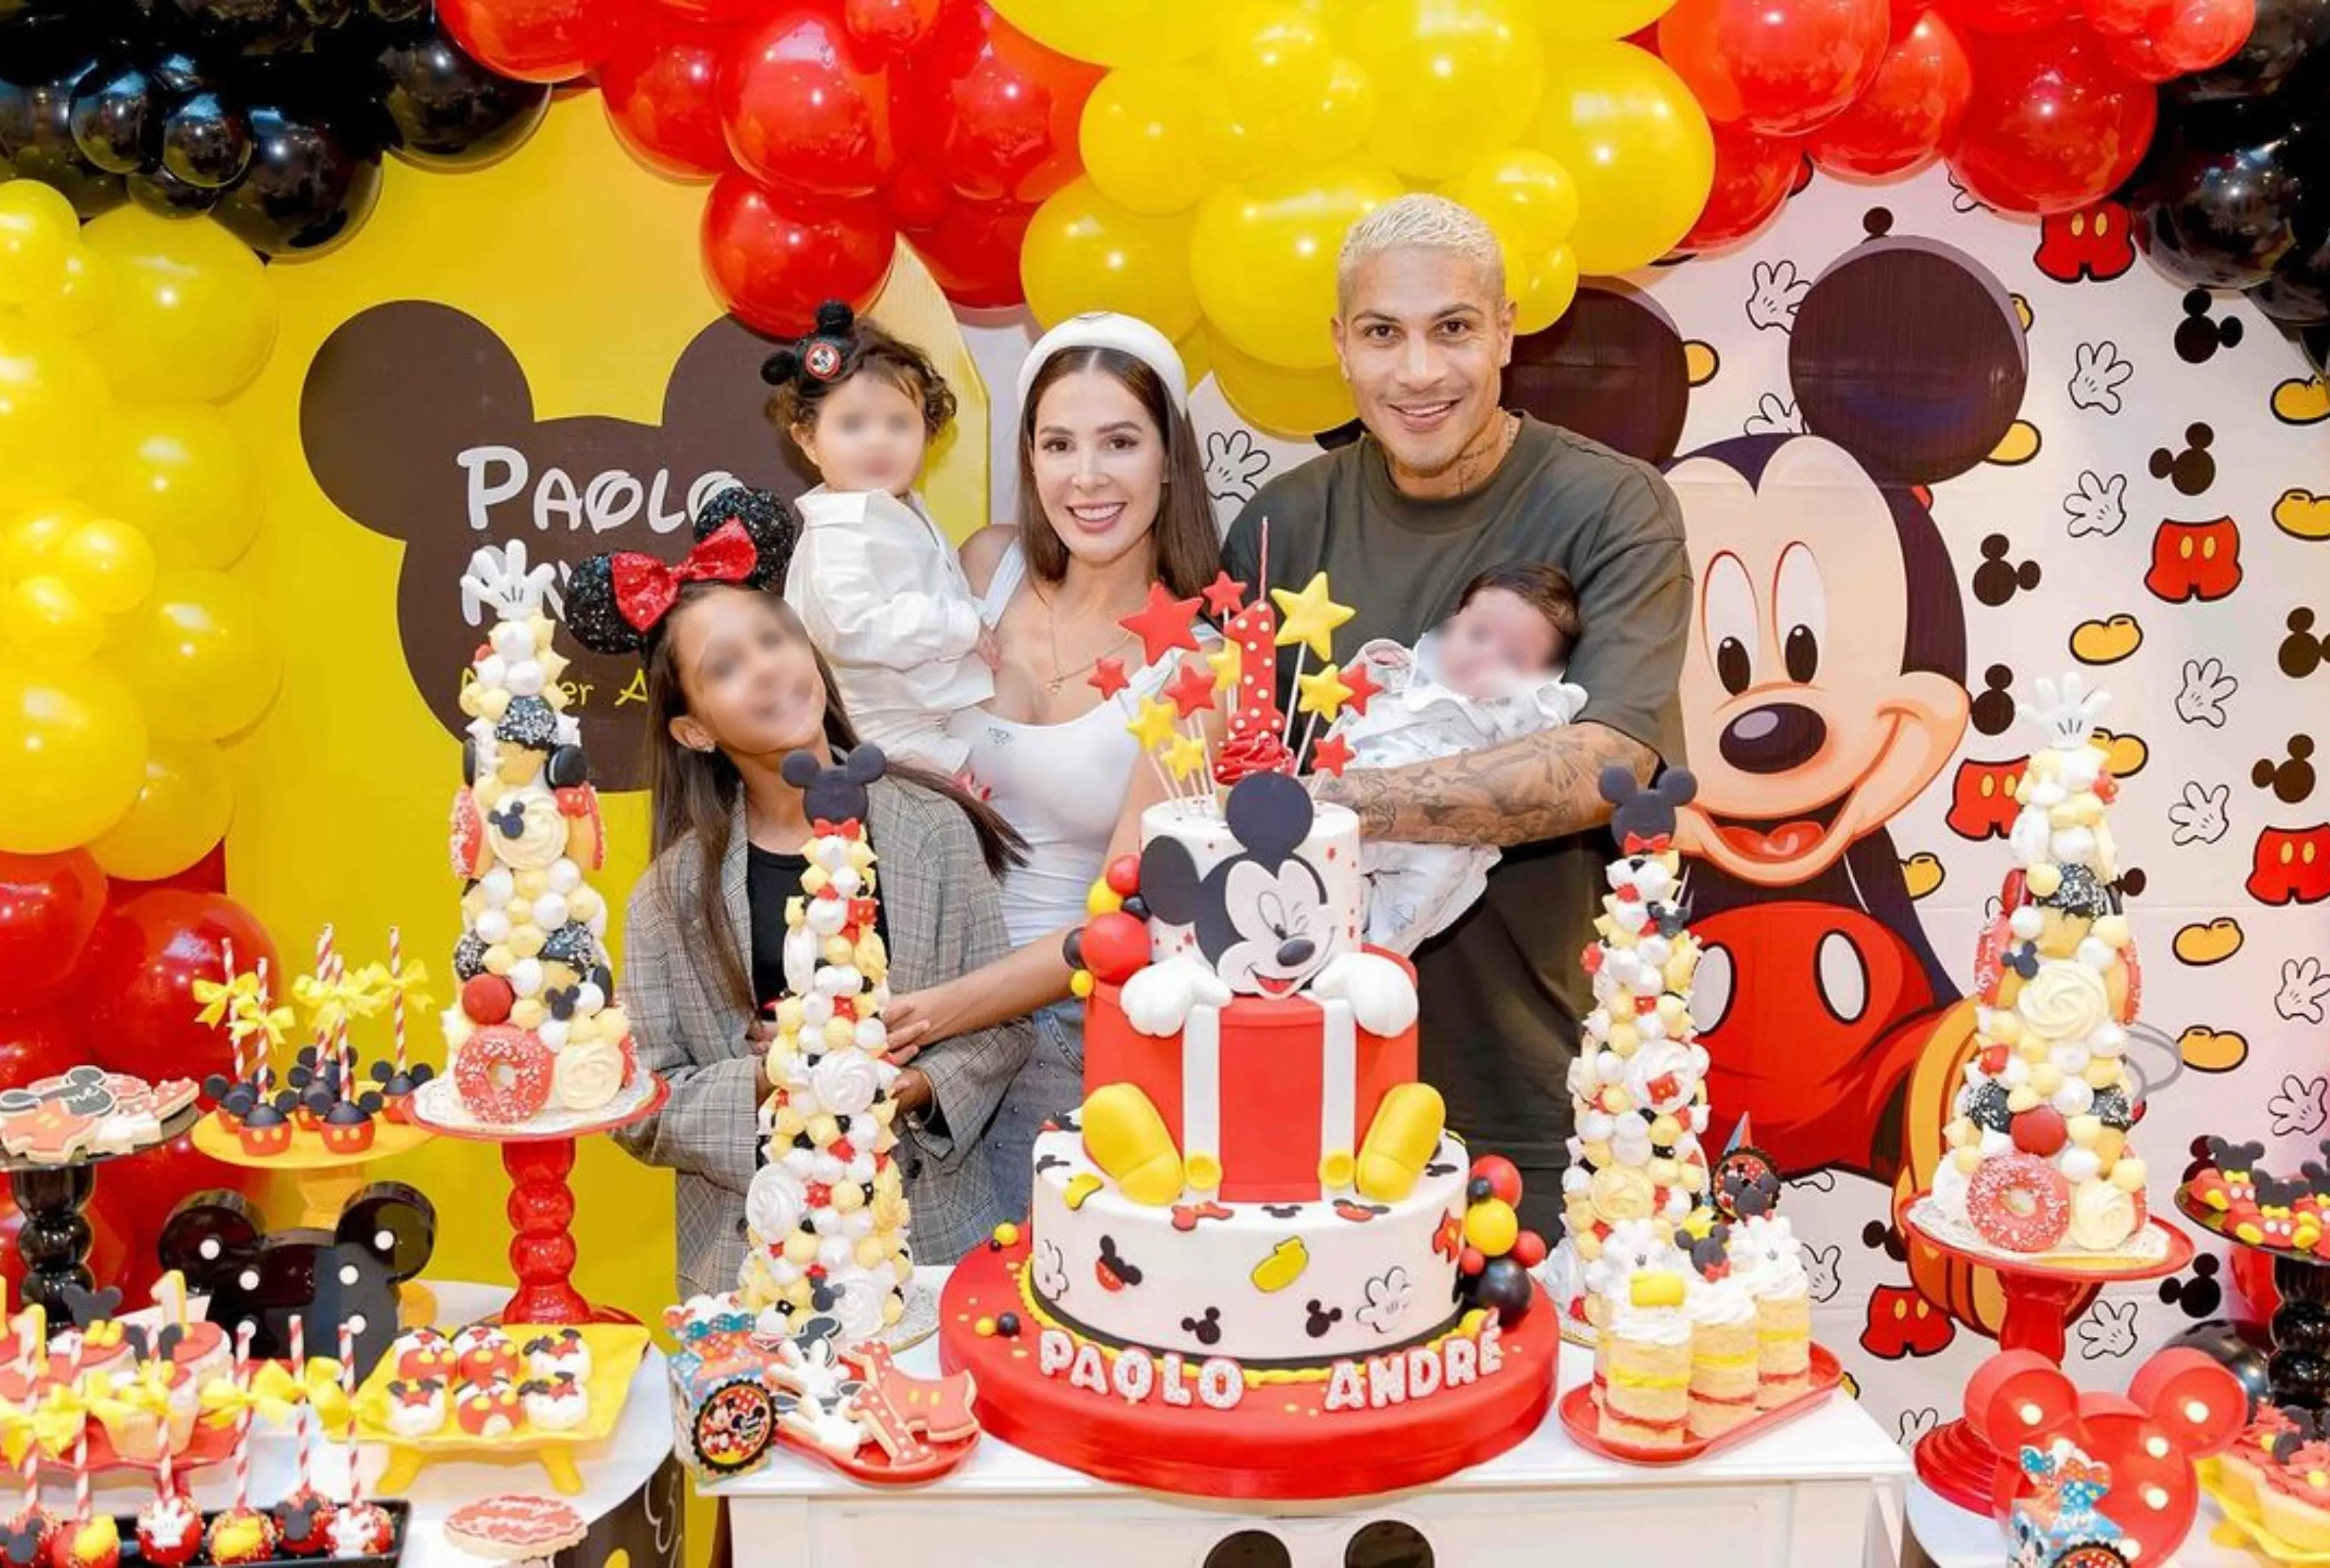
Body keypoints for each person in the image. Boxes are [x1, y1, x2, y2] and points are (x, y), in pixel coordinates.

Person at [1224, 194, 1692, 1238]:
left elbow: (1607, 761)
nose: (1420, 372)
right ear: (1341, 346)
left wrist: (1326, 802)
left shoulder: (1613, 507)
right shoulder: (1279, 525)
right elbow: (1219, 776)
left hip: (1528, 1101)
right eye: (1384, 333)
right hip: (1301, 1087)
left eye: (1454, 329)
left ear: (1507, 330)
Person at [576, 491, 1034, 1302]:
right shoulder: (670, 897)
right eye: (725, 666)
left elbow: (1003, 1028)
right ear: (694, 730)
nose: (765, 667)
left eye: (774, 637)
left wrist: (911, 1082)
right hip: (755, 1263)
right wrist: (783, 1072)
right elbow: (642, 1104)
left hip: (928, 1249)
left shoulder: (931, 827)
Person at [882, 313, 1225, 1206]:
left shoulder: (1197, 669)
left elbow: (1130, 917)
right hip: (917, 995)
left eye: (1120, 441)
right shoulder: (983, 571)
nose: (1087, 476)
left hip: (1064, 1033)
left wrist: (930, 1015)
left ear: (1169, 459)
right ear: (1028, 458)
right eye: (1058, 442)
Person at [768, 300, 994, 774]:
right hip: (881, 739)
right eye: (852, 425)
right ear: (808, 439)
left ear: (927, 432)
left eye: (898, 423)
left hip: (931, 717)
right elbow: (853, 624)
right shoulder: (838, 529)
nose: (878, 441)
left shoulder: (899, 508)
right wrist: (958, 625)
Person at [1329, 560, 1588, 954]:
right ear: (1453, 622)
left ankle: (1376, 951)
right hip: (1352, 797)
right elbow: (1348, 695)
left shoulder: (1513, 712)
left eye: (1514, 659)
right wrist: (1376, 664)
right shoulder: (1410, 667)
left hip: (1434, 833)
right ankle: (1319, 923)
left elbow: (1544, 746)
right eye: (1478, 634)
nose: (1486, 657)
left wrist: (1542, 699)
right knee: (1321, 862)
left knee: (1434, 875)